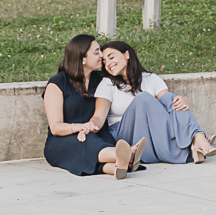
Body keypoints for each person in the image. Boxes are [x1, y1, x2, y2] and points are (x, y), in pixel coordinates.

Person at [92, 40, 216, 165]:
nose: (108, 63)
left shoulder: (150, 78)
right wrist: (88, 126)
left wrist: (184, 100)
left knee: (170, 98)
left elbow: (170, 104)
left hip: (152, 134)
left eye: (111, 57)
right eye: (104, 62)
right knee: (143, 98)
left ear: (127, 54)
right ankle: (194, 142)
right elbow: (99, 116)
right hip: (126, 135)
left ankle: (197, 137)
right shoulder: (107, 83)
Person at [43, 34, 146, 178]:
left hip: (97, 133)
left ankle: (114, 167)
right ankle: (127, 154)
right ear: (82, 58)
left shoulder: (102, 79)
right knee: (87, 142)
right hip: (64, 139)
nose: (102, 55)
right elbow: (55, 127)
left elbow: (130, 83)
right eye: (96, 52)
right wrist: (80, 127)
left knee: (96, 141)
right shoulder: (57, 83)